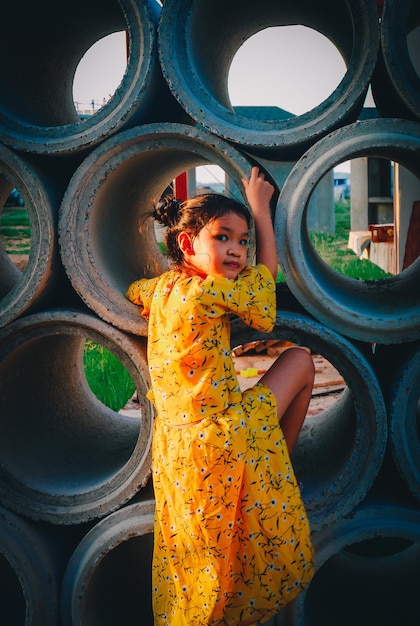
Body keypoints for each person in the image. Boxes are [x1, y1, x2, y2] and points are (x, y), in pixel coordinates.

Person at [126, 166, 315, 625]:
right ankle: (277, 460)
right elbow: (265, 280)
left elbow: (135, 289)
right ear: (188, 244)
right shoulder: (210, 292)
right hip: (224, 439)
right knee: (303, 361)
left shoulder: (165, 288)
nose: (236, 249)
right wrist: (259, 210)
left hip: (178, 452)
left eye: (243, 240)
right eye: (223, 237)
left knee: (203, 564)